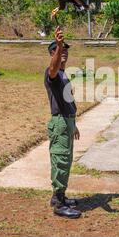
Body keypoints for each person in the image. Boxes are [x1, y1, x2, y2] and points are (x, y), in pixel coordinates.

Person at [44, 26, 81, 219]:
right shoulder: (52, 73)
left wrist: (73, 123)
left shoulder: (64, 75)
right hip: (59, 123)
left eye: (66, 49)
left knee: (65, 160)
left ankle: (60, 196)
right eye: (60, 49)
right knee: (60, 159)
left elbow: (68, 102)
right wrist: (58, 45)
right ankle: (58, 203)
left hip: (66, 122)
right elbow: (52, 68)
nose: (64, 52)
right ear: (53, 53)